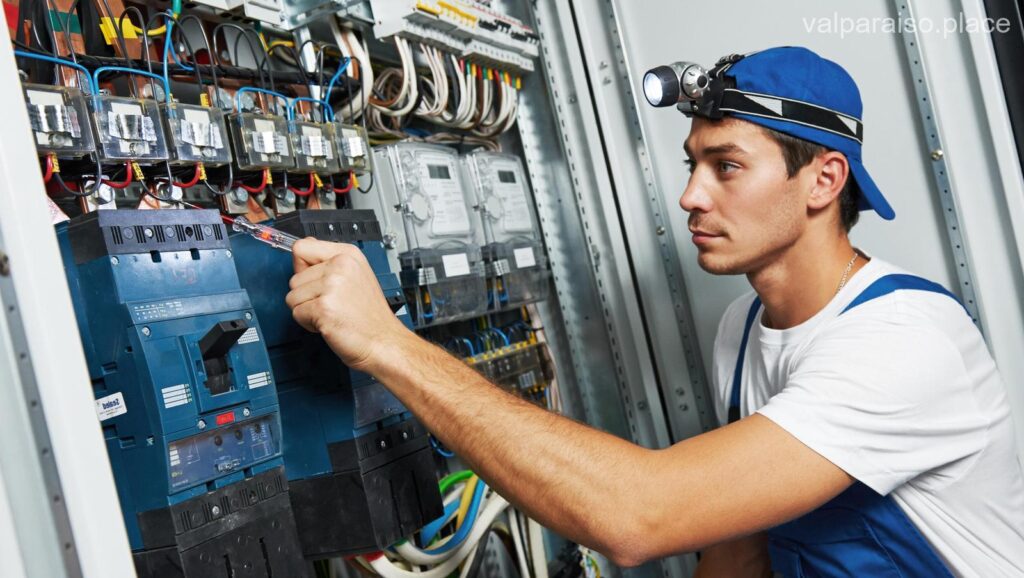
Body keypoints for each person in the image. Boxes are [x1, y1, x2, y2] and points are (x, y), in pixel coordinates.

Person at [284, 47, 1024, 577]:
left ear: (824, 180)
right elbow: (748, 537)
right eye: (692, 165)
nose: (692, 197)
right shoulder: (743, 330)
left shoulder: (904, 343)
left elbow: (640, 517)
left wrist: (388, 343)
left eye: (727, 166)